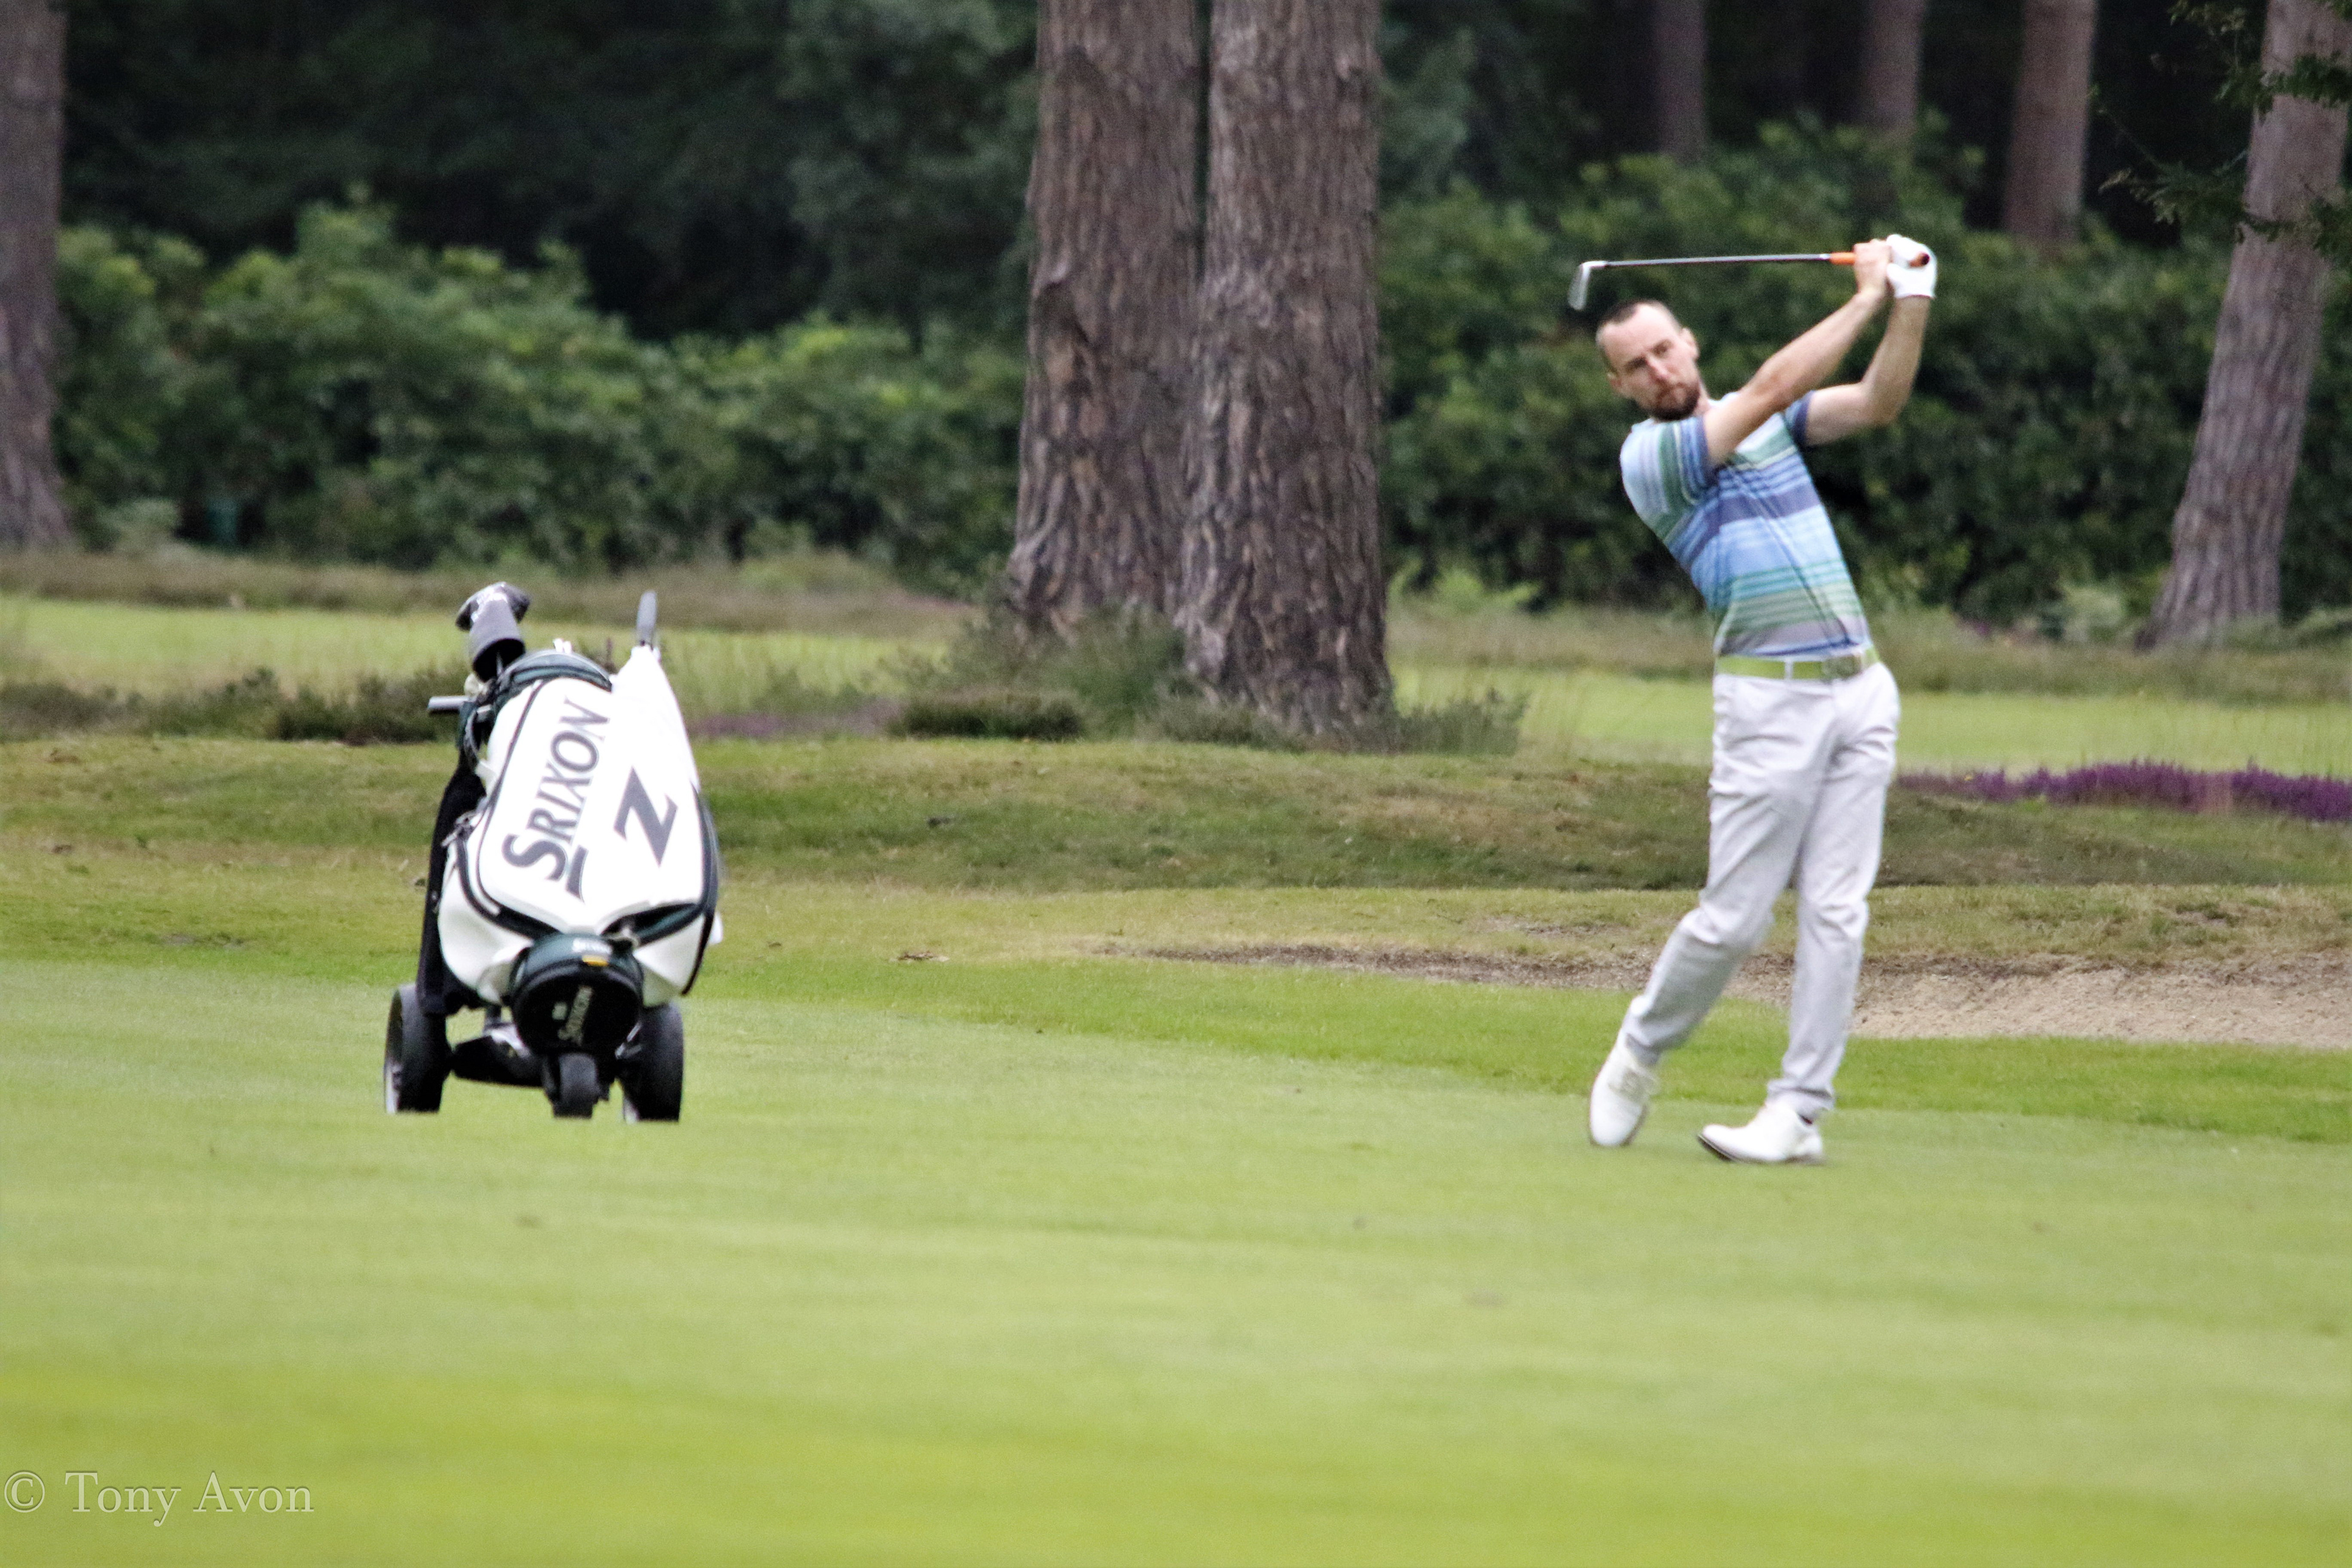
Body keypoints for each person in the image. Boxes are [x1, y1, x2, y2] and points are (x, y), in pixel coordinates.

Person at [1585, 236, 1935, 1164]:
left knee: (1837, 912)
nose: (1659, 371)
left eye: (1665, 350)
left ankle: (1798, 1111)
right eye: (1637, 366)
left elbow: (1880, 401)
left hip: (1860, 689)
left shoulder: (1766, 421)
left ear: (1691, 344)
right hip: (1768, 704)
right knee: (1735, 917)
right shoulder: (1654, 456)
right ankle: (1640, 1050)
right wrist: (1864, 298)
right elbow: (1773, 389)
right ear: (1621, 387)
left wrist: (1912, 301)